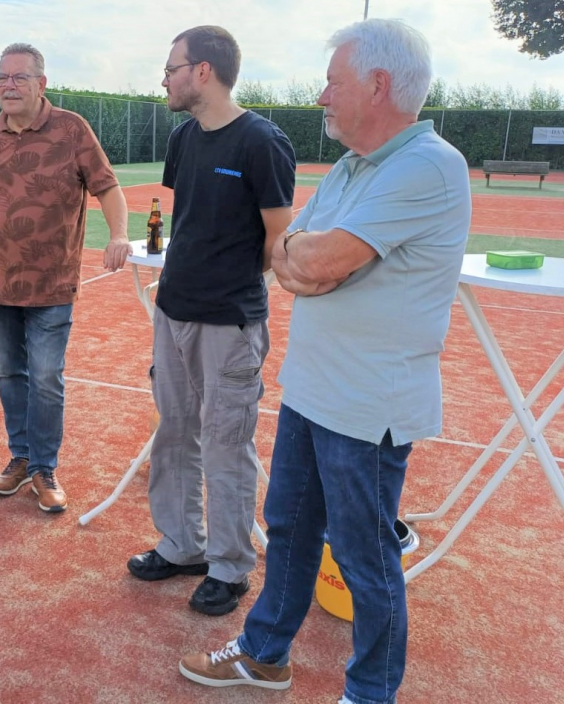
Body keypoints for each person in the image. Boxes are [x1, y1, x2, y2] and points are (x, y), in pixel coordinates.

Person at [177, 19, 472, 703]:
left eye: (333, 83)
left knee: (366, 564)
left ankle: (370, 694)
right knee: (289, 530)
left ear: (377, 84)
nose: (321, 96)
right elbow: (289, 254)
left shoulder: (430, 164)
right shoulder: (348, 167)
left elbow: (320, 258)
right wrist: (309, 258)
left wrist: (313, 257)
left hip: (369, 407)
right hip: (312, 389)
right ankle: (264, 655)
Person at [126, 26, 296, 616]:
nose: (165, 79)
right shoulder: (184, 138)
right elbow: (191, 222)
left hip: (229, 324)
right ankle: (183, 546)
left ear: (203, 71)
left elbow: (279, 241)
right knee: (174, 432)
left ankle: (229, 565)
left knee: (226, 444)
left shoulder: (262, 142)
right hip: (172, 312)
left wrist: (237, 294)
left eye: (171, 68)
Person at [0, 43, 131, 514]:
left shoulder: (71, 128)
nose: (9, 85)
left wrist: (118, 234)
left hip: (51, 284)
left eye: (19, 77)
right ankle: (19, 459)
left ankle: (44, 467)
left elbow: (107, 187)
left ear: (42, 83)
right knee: (9, 375)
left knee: (45, 378)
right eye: (2, 78)